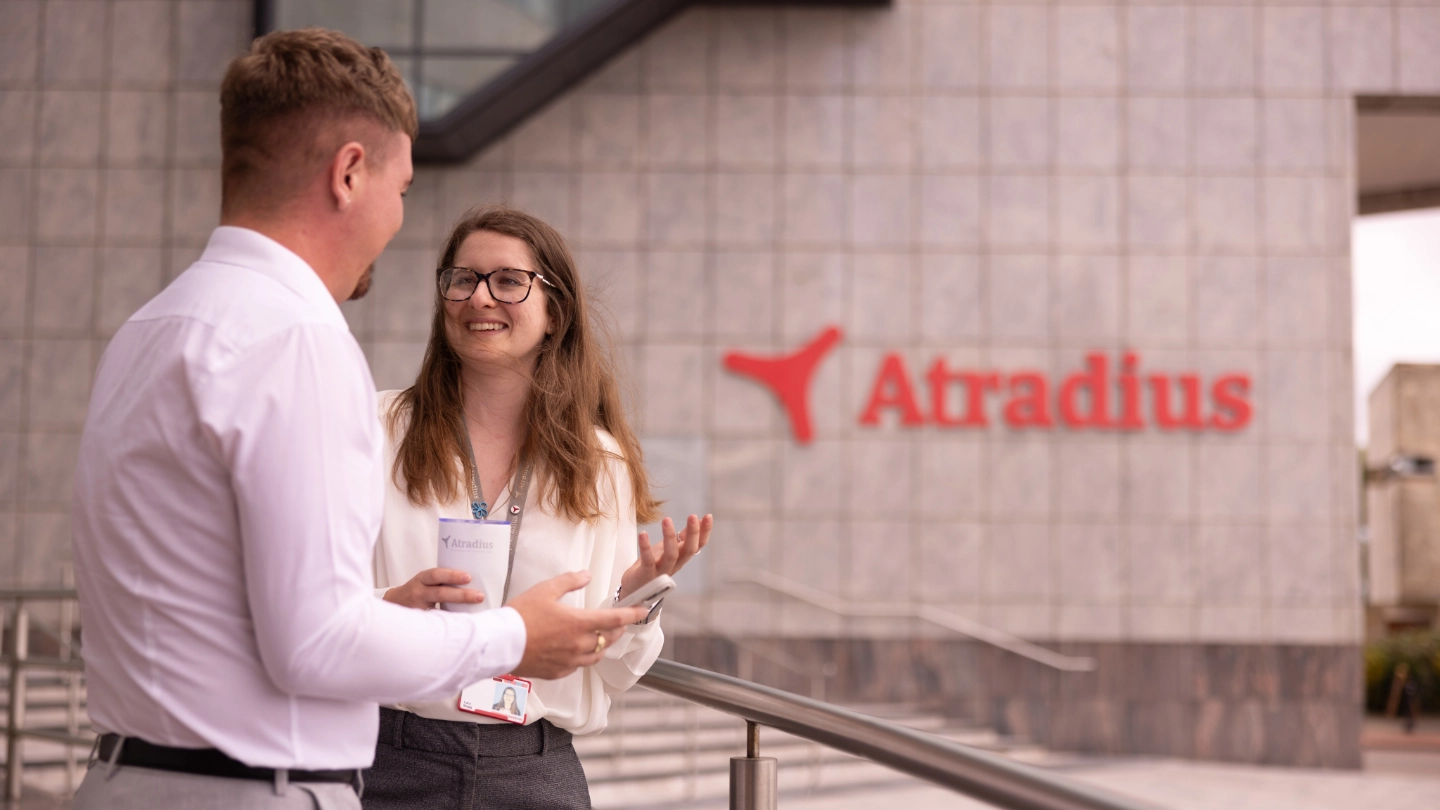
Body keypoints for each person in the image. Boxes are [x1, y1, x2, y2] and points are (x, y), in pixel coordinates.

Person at [68, 30, 647, 810]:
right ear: (348, 173)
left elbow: (247, 610)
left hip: (128, 778)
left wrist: (377, 612)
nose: (399, 217)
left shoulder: (151, 327)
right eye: (401, 188)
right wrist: (513, 635)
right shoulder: (299, 341)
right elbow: (314, 645)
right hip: (249, 790)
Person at [365, 205, 711, 809]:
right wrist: (389, 606)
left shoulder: (600, 462)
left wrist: (631, 601)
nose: (479, 298)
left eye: (508, 281)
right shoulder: (377, 427)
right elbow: (309, 603)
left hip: (533, 770)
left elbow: (610, 673)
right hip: (390, 758)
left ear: (555, 313)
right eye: (462, 279)